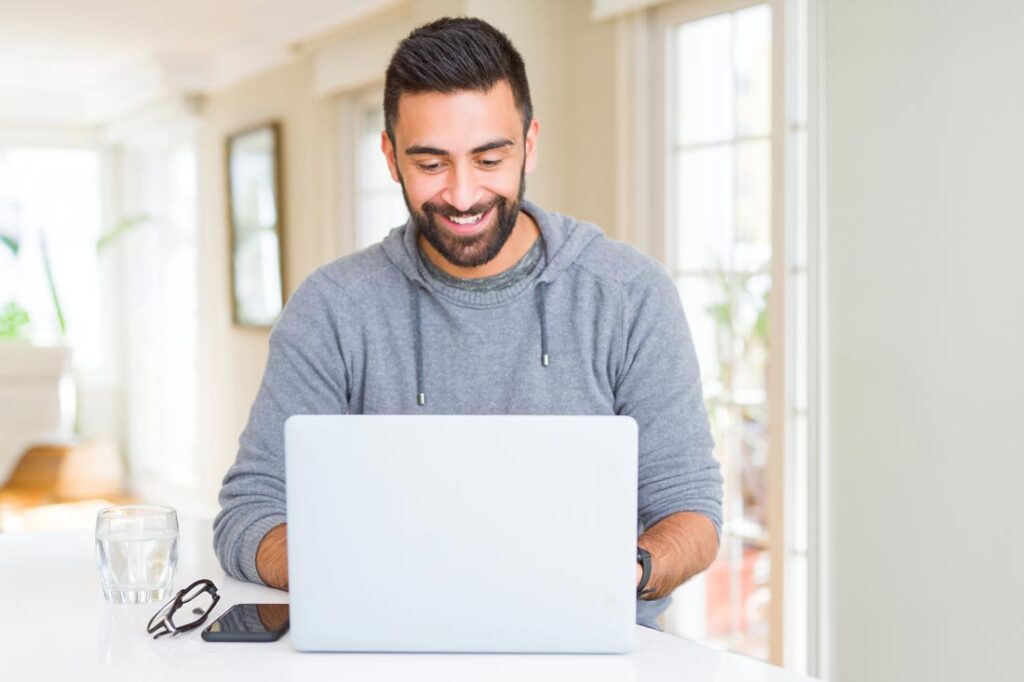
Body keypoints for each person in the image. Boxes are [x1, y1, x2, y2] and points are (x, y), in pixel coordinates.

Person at [214, 16, 723, 630]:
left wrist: (625, 570)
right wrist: (375, 570)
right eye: (431, 164)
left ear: (529, 144)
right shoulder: (333, 308)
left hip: (585, 645)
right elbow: (251, 511)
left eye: (489, 158)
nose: (461, 195)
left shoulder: (628, 295)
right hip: (385, 642)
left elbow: (691, 510)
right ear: (390, 157)